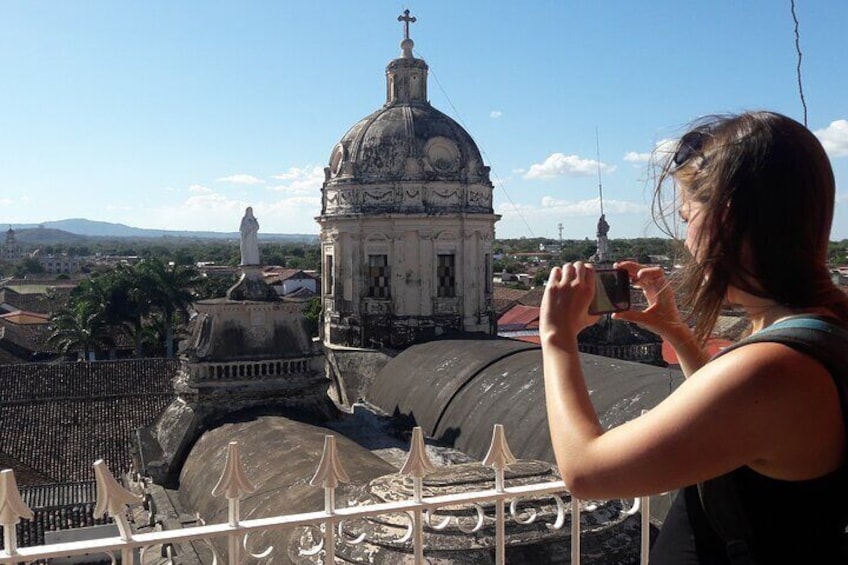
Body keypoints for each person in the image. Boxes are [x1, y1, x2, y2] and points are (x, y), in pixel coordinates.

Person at [540, 111, 848, 563]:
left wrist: (557, 338)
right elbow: (738, 419)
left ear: (724, 219)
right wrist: (677, 333)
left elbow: (586, 472)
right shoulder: (822, 330)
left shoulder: (773, 369)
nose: (686, 239)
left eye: (687, 216)